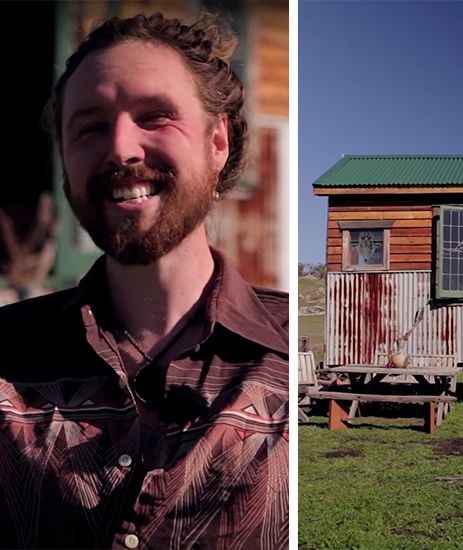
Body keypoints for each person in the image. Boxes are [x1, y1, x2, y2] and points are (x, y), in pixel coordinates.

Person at [0, 13, 288, 549]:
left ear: (217, 142)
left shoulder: (289, 360)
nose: (120, 148)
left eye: (155, 116)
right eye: (89, 126)